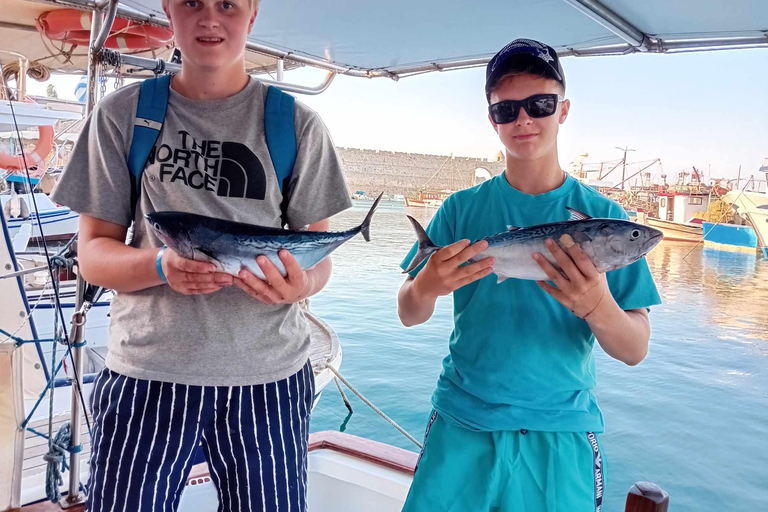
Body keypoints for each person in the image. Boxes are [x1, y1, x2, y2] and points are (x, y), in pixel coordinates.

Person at [51, 0, 351, 510]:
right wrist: (159, 268)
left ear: (252, 15)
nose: (210, 18)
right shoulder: (122, 116)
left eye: (228, 5)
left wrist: (301, 285)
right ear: (169, 11)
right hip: (147, 377)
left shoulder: (297, 126)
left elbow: (316, 258)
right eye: (192, 3)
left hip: (269, 382)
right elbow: (93, 256)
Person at [397, 38, 661, 512]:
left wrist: (599, 307)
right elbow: (408, 312)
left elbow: (635, 349)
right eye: (506, 110)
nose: (523, 120)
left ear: (563, 110)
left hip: (560, 429)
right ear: (492, 118)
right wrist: (427, 286)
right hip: (462, 421)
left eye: (539, 104)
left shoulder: (605, 217)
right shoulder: (460, 210)